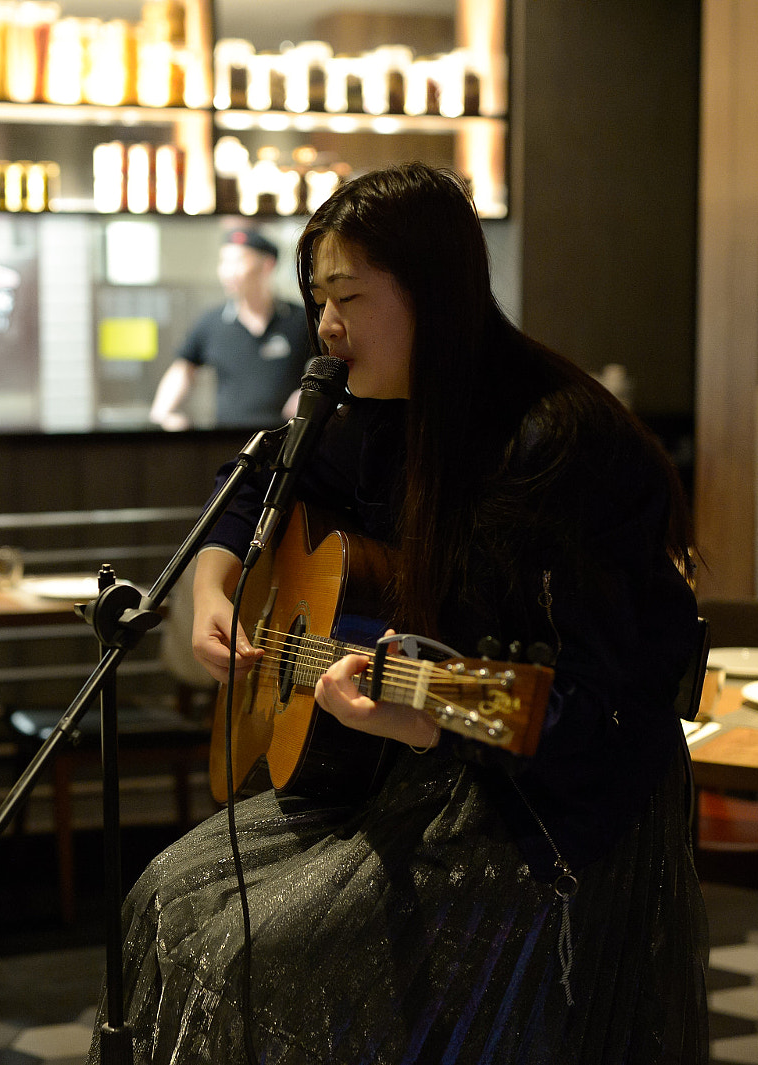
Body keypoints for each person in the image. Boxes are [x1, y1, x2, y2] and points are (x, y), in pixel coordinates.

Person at [93, 164, 708, 1063]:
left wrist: (425, 720)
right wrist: (209, 583)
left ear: (435, 291)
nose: (327, 326)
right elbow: (262, 475)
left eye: (348, 296)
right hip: (434, 774)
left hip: (561, 816)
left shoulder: (558, 444)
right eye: (317, 299)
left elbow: (599, 706)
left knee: (244, 956)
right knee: (161, 900)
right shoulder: (373, 410)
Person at [148, 228, 312, 431]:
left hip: (288, 443)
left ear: (267, 265)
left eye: (238, 261)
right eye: (223, 262)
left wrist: (307, 395)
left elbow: (333, 365)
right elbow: (183, 369)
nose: (227, 271)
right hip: (227, 443)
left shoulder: (299, 319)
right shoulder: (212, 322)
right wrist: (162, 414)